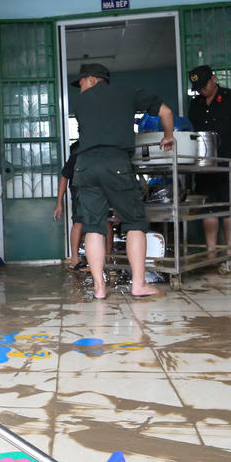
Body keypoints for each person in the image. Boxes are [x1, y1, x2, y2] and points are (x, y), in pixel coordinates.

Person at [69, 63, 174, 299]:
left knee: (93, 226)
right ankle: (139, 285)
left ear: (93, 79)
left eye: (82, 83)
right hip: (116, 163)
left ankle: (99, 288)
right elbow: (166, 112)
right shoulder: (127, 92)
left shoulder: (80, 102)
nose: (81, 88)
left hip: (84, 166)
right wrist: (168, 136)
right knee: (134, 222)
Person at [186, 64, 231, 270]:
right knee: (208, 208)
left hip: (229, 161)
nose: (202, 90)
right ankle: (211, 255)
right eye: (198, 88)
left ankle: (229, 255)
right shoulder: (195, 104)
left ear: (214, 79)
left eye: (205, 85)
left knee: (229, 207)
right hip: (204, 165)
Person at [53, 140, 86, 270]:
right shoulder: (77, 151)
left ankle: (104, 259)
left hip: (96, 189)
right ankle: (75, 259)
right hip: (79, 189)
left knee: (101, 223)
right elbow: (64, 176)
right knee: (79, 222)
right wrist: (59, 204)